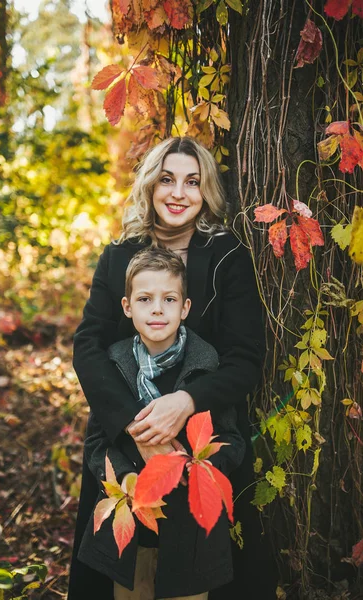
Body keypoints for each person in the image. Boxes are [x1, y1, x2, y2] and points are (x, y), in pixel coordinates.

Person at [68, 136, 278, 600]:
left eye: (192, 181)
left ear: (206, 193)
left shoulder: (226, 256)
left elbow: (246, 358)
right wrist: (133, 425)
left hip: (202, 431)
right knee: (123, 567)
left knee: (201, 568)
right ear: (151, 185)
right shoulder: (120, 254)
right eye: (167, 179)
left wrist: (186, 402)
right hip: (125, 431)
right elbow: (88, 346)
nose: (178, 193)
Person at [78, 247, 246, 600]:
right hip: (131, 525)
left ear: (185, 308)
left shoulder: (206, 364)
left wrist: (198, 472)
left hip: (190, 532)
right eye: (145, 299)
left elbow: (231, 438)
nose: (157, 308)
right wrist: (126, 478)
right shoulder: (115, 363)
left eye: (169, 299)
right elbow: (96, 443)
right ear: (127, 307)